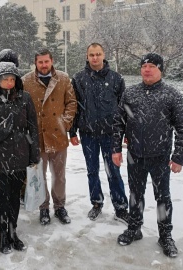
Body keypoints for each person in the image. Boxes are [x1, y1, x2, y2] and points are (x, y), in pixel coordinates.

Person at [113, 53, 183, 258]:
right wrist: (116, 149)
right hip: (135, 155)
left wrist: (178, 157)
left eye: (152, 66)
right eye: (144, 66)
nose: (147, 69)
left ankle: (165, 236)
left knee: (163, 198)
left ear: (160, 70)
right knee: (135, 194)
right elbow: (118, 124)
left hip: (160, 156)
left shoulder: (171, 95)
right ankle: (134, 228)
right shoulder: (130, 94)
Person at [0, 61, 40, 254]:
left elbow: (33, 127)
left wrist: (34, 154)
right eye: (5, 79)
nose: (9, 82)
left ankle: (13, 232)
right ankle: (3, 234)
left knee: (14, 198)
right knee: (2, 199)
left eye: (12, 79)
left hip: (20, 156)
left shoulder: (25, 99)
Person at [69, 42, 129, 222]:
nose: (95, 57)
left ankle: (120, 207)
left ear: (103, 55)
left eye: (98, 54)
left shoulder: (116, 79)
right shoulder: (79, 79)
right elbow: (74, 107)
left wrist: (126, 131)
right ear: (87, 57)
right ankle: (96, 202)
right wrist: (72, 131)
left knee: (114, 171)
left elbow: (124, 108)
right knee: (92, 170)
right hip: (88, 133)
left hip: (110, 134)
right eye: (91, 54)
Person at [22, 48, 77, 225]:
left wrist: (65, 124)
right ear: (35, 63)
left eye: (47, 61)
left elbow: (71, 103)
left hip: (58, 137)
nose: (44, 65)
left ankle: (60, 206)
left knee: (59, 175)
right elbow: (22, 107)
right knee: (40, 176)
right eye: (40, 62)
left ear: (52, 61)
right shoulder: (26, 81)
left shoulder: (63, 78)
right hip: (37, 138)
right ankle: (43, 208)